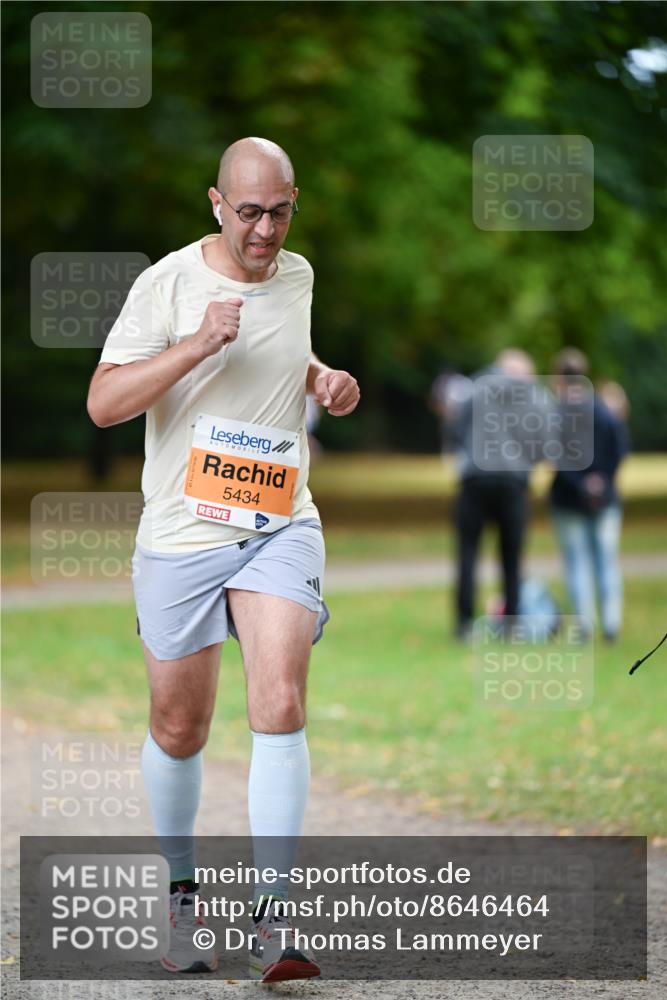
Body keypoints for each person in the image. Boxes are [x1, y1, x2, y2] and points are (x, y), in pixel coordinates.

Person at [86, 137, 360, 982]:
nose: (265, 231)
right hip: (182, 534)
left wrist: (324, 379)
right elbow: (103, 403)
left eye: (280, 212)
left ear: (294, 203)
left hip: (279, 522)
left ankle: (273, 917)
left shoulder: (297, 275)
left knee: (279, 703)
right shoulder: (167, 284)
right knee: (180, 727)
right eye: (248, 213)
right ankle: (181, 898)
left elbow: (283, 356)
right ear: (216, 203)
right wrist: (196, 345)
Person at [451, 349, 552, 639]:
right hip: (513, 482)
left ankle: (464, 624)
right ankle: (510, 623)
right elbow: (545, 441)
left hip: (475, 478)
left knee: (468, 553)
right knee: (512, 557)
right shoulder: (535, 395)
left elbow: (456, 427)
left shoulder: (476, 388)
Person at [549, 349, 628, 642]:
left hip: (568, 499)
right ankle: (611, 623)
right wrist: (602, 481)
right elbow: (619, 449)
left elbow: (557, 457)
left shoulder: (557, 414)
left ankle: (585, 625)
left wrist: (582, 484)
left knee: (577, 561)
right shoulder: (603, 409)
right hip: (604, 499)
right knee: (606, 559)